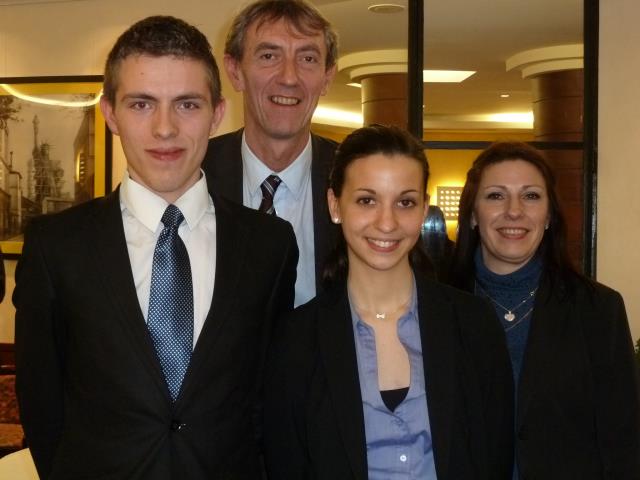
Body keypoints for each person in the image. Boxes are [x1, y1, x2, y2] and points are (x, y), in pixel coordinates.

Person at [14, 16, 298, 479]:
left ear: (217, 112)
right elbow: (42, 403)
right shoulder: (55, 246)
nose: (165, 129)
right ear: (110, 114)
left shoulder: (268, 245)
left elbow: (269, 397)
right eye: (142, 104)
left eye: (187, 104)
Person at [264, 125, 514, 479]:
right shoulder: (296, 339)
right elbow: (286, 465)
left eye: (405, 202)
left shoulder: (473, 324)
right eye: (367, 200)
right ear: (335, 205)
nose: (387, 222)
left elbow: (494, 459)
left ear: (424, 208)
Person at [450, 141, 640, 479]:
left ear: (549, 215)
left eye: (531, 196)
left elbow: (622, 439)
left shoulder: (598, 310)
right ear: (472, 215)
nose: (514, 210)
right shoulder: (435, 304)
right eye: (496, 195)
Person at [202, 0, 338, 307]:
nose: (289, 77)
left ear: (327, 77)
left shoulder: (354, 178)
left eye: (307, 58)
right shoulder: (193, 174)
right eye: (268, 56)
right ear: (235, 71)